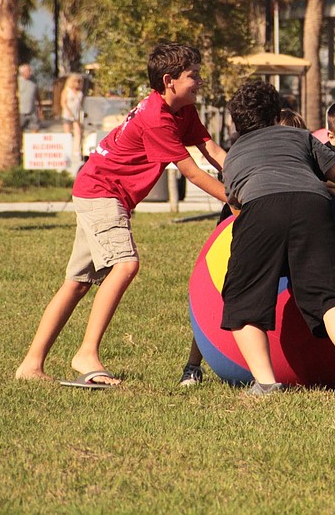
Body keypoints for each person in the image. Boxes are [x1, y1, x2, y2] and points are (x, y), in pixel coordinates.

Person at [15, 43, 228, 388]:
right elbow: (191, 171)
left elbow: (212, 150)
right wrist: (236, 202)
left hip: (96, 189)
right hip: (103, 192)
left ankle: (31, 363)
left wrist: (248, 178)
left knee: (78, 282)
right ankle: (86, 353)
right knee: (126, 264)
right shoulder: (157, 118)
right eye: (194, 76)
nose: (201, 81)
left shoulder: (182, 109)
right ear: (169, 80)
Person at [219, 79, 335, 398]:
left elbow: (235, 206)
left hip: (259, 208)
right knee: (329, 289)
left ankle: (266, 383)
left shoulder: (233, 155)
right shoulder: (299, 136)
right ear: (276, 114)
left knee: (242, 296)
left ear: (237, 123)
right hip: (311, 205)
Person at [60, 73, 84, 151]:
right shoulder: (66, 90)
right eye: (75, 81)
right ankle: (67, 149)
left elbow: (81, 103)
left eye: (79, 81)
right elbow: (63, 102)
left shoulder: (80, 92)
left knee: (78, 132)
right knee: (67, 133)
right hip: (67, 114)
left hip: (77, 114)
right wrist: (67, 110)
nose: (77, 83)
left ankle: (76, 149)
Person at [18, 64, 40, 131]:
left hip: (32, 111)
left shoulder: (34, 80)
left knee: (35, 128)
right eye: (28, 71)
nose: (30, 72)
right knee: (19, 130)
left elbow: (37, 94)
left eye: (30, 70)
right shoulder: (18, 81)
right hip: (21, 111)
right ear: (22, 72)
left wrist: (40, 107)